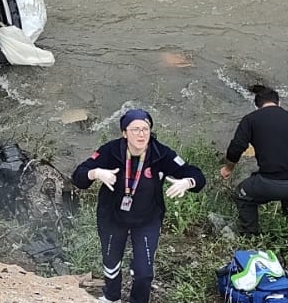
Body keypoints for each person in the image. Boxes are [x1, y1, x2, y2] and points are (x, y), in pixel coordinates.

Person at [72, 109, 206, 303]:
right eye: (135, 129)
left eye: (145, 129)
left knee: (144, 272)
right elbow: (79, 175)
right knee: (111, 262)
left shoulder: (161, 153)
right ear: (124, 133)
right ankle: (111, 297)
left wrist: (187, 182)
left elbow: (196, 174)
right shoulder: (110, 151)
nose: (141, 134)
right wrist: (96, 173)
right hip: (113, 217)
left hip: (147, 219)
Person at [220, 84, 288, 235]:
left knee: (242, 195)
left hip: (269, 183)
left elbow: (236, 147)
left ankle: (251, 235)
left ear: (256, 106)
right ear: (278, 103)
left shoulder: (251, 119)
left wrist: (228, 168)